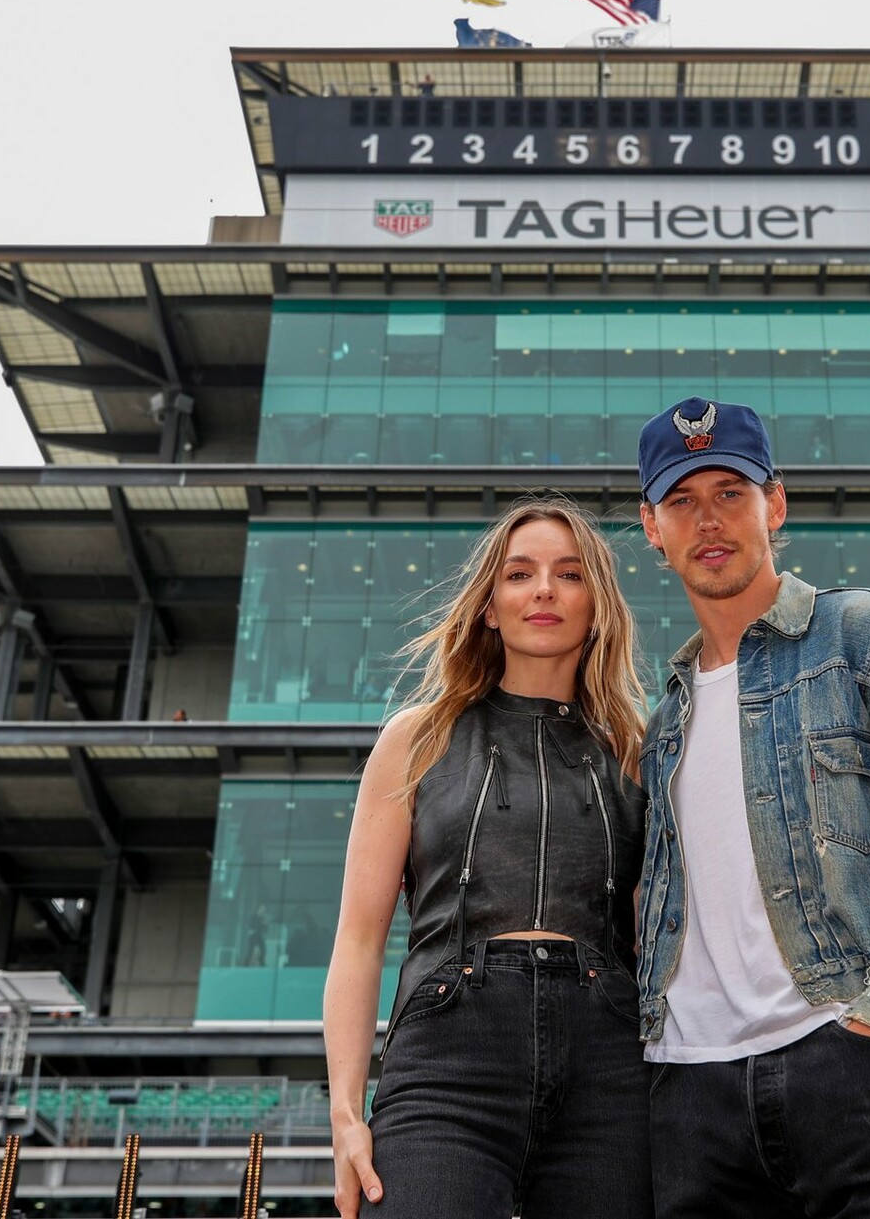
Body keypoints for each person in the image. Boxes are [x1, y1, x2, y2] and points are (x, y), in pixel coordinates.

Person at [633, 397, 870, 1219]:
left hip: (858, 1069)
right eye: (681, 501)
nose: (708, 520)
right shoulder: (661, 727)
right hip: (691, 1102)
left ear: (774, 503)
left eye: (730, 492)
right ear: (652, 527)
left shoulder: (869, 636)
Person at [324, 499, 650, 1219]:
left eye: (570, 574)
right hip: (447, 1059)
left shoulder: (636, 752)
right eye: (520, 573)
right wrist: (346, 1113)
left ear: (597, 606)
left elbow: (656, 937)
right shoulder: (416, 738)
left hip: (609, 1066)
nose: (544, 590)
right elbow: (358, 938)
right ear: (489, 607)